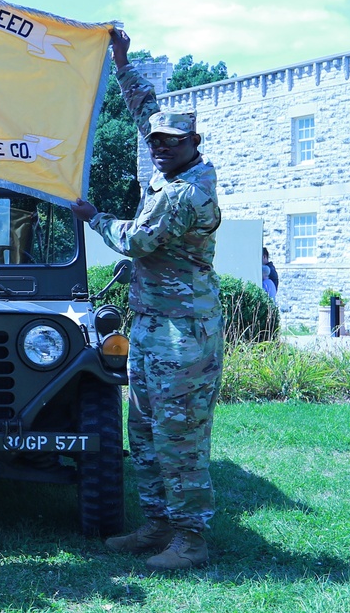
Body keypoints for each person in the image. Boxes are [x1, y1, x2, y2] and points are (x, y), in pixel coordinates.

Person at [71, 28, 223, 571]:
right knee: (145, 428)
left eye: (171, 142)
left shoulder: (186, 193)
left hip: (185, 334)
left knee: (179, 435)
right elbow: (146, 111)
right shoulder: (169, 165)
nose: (159, 146)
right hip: (156, 325)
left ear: (193, 145)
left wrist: (94, 217)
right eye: (155, 142)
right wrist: (121, 61)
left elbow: (136, 240)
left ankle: (190, 538)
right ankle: (158, 523)